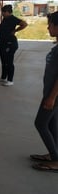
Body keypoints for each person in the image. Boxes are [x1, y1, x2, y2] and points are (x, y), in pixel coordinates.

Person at [31, 11, 58, 172]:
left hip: (53, 95)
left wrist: (51, 97)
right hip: (50, 94)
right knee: (52, 124)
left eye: (51, 25)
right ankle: (54, 153)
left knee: (40, 123)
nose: (48, 27)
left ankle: (55, 159)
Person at [0, 4, 28, 86]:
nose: (2, 14)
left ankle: (10, 80)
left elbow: (24, 24)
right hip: (3, 42)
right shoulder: (5, 19)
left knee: (9, 61)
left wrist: (15, 30)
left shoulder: (13, 18)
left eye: (3, 12)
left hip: (10, 43)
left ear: (8, 12)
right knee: (3, 61)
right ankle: (3, 77)